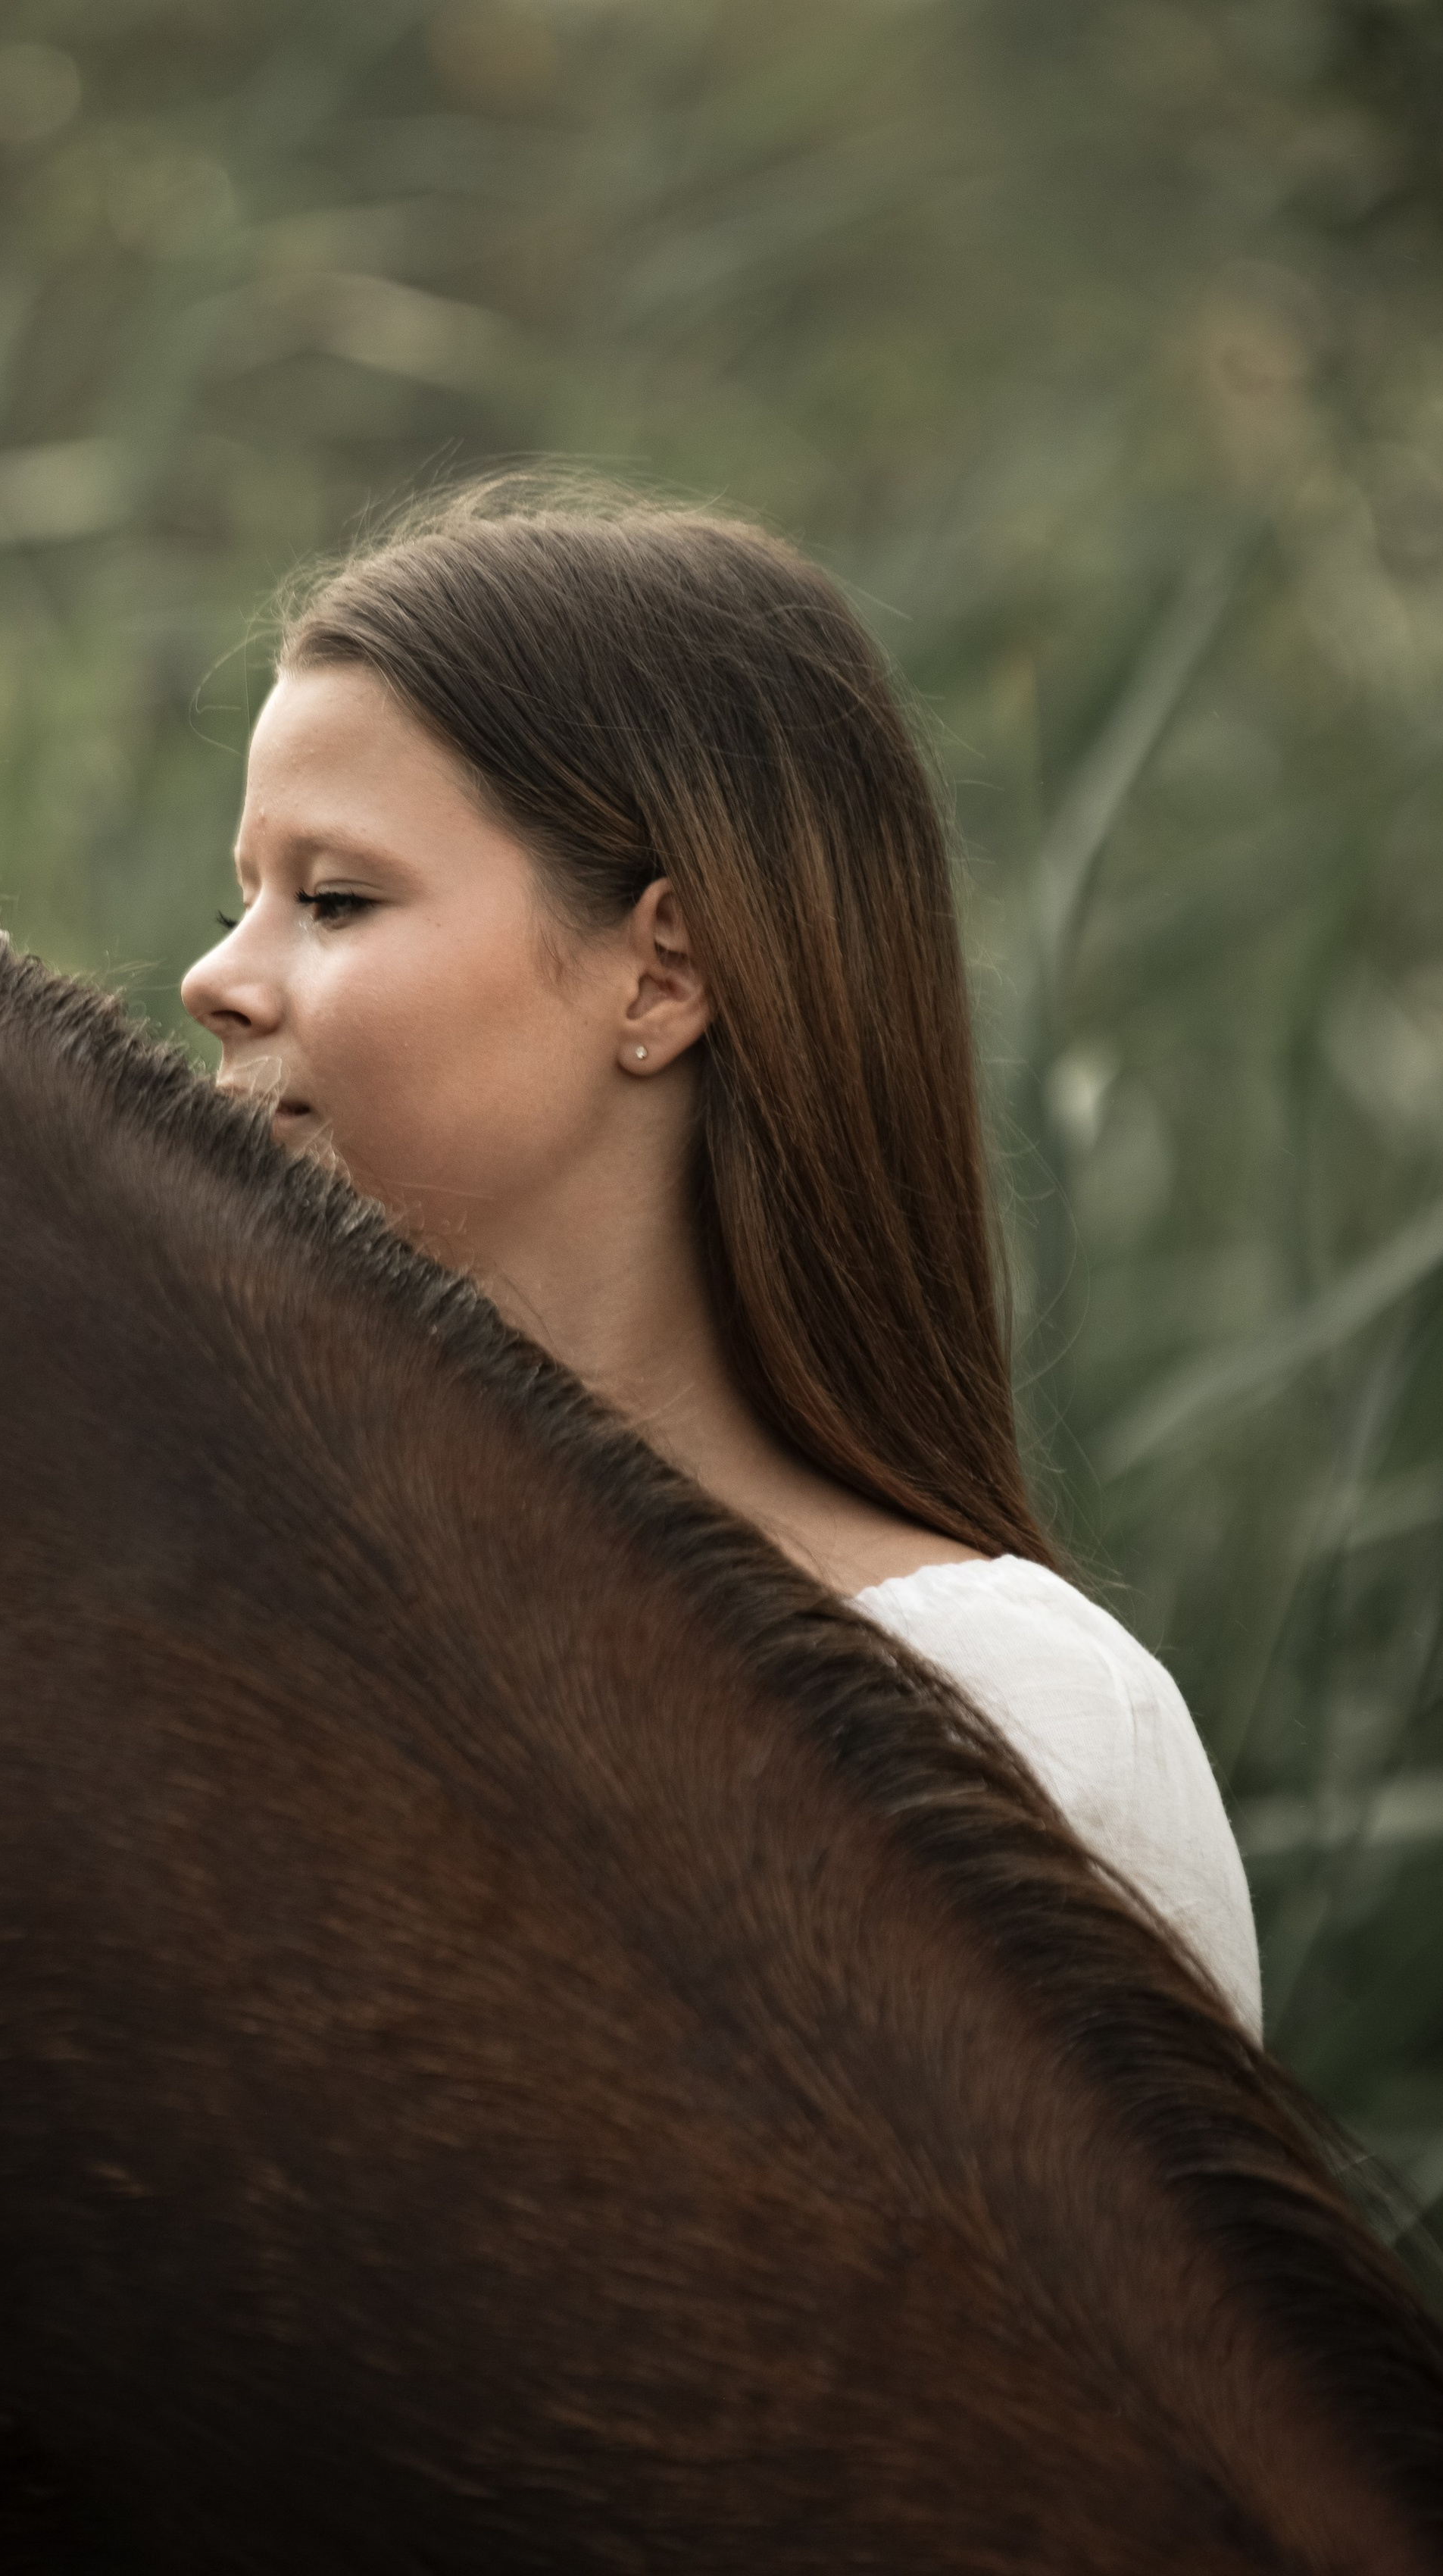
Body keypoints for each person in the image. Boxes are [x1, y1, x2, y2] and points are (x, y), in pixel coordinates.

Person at [180, 477, 1261, 2039]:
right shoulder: (240, 1635)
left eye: (332, 898)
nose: (215, 976)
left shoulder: (1006, 1722)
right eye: (244, 897)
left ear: (662, 970)